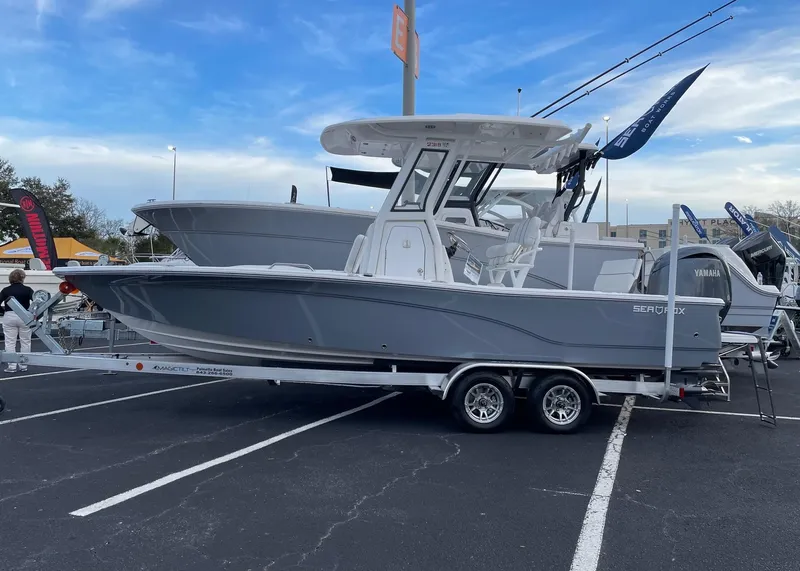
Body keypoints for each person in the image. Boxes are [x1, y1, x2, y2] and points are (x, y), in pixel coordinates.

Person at [0, 269, 34, 373]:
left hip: (9, 315)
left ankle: (12, 366)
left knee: (10, 342)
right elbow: (36, 301)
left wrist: (3, 311)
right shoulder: (28, 290)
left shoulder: (5, 290)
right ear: (23, 278)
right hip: (25, 316)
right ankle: (23, 365)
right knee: (25, 341)